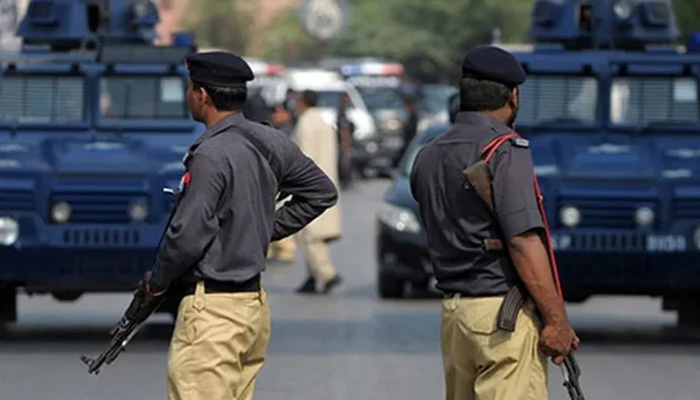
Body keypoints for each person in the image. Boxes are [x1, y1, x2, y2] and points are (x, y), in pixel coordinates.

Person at [135, 51, 338, 400]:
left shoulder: (210, 155)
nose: (189, 96)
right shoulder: (269, 140)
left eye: (190, 89)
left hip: (212, 313)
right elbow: (321, 191)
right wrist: (260, 227)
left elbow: (185, 237)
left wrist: (156, 284)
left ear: (202, 96)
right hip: (251, 310)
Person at [409, 46, 579, 400]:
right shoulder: (504, 149)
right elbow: (523, 241)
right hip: (501, 318)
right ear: (513, 96)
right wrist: (557, 321)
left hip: (455, 315)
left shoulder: (428, 154)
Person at [292, 90, 343, 294]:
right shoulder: (324, 122)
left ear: (303, 103)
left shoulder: (305, 123)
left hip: (309, 185)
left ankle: (327, 274)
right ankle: (312, 278)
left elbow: (302, 156)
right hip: (327, 181)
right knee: (315, 234)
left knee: (310, 235)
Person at [267, 100, 298, 264]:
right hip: (272, 177)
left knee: (282, 210)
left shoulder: (292, 132)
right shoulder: (270, 130)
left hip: (286, 178)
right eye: (275, 113)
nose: (277, 116)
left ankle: (286, 248)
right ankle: (271, 248)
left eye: (281, 113)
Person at [336, 93, 355, 189]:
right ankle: (345, 180)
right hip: (343, 141)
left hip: (344, 140)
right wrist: (345, 141)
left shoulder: (345, 111)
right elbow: (343, 129)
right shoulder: (342, 111)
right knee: (344, 161)